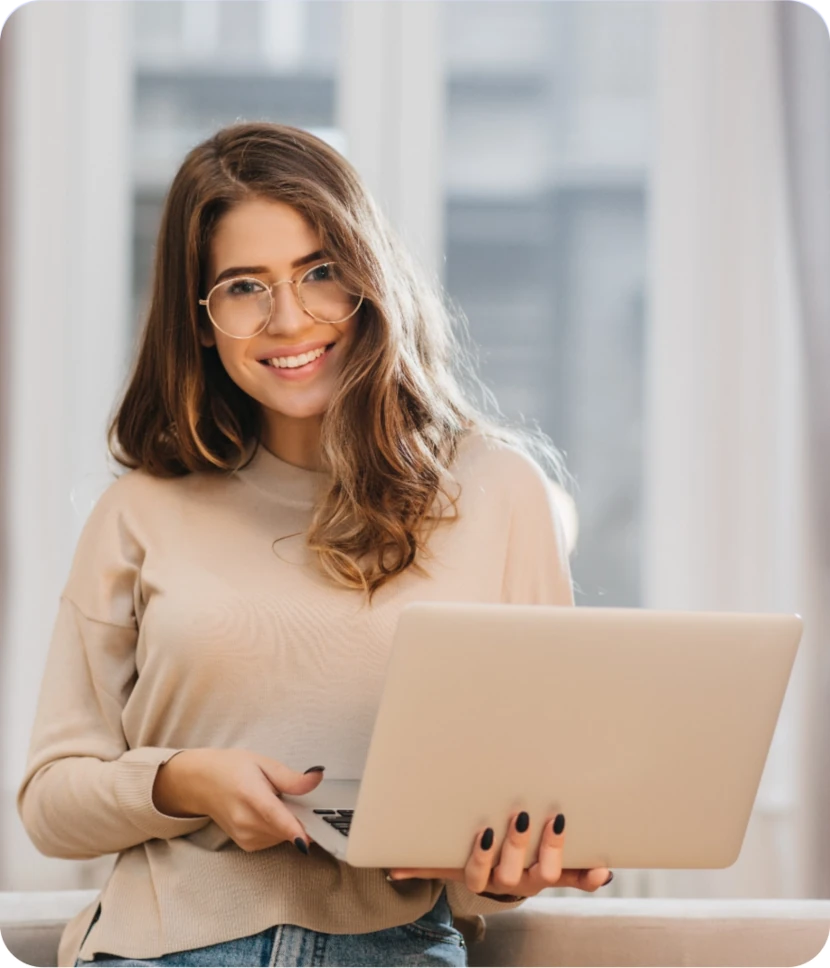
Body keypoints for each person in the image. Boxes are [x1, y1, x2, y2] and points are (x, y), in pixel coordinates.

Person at [16, 121, 612, 968]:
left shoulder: (499, 492)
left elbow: (521, 809)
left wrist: (512, 869)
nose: (289, 318)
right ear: (201, 316)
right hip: (166, 946)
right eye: (243, 286)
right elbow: (49, 801)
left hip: (399, 945)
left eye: (320, 272)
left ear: (370, 279)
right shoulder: (139, 510)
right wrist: (181, 781)